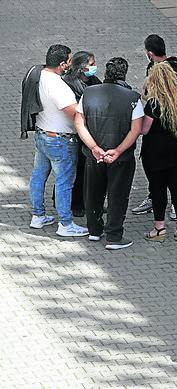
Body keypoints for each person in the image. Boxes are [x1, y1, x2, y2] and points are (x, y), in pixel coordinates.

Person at [74, 57, 144, 250]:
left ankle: (95, 230)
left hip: (93, 156)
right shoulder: (132, 97)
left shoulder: (88, 93)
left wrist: (94, 148)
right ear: (124, 73)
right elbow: (136, 129)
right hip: (121, 158)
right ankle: (114, 236)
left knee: (93, 192)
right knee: (118, 195)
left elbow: (79, 122)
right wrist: (118, 150)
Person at [27, 44, 89, 237]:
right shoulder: (59, 86)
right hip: (61, 140)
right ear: (63, 64)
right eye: (69, 60)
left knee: (38, 176)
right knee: (64, 182)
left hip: (42, 134)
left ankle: (38, 216)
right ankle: (66, 223)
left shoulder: (38, 75)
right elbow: (74, 114)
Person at [132, 34, 177, 216]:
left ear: (150, 53)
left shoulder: (154, 103)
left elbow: (144, 128)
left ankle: (158, 208)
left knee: (158, 182)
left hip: (157, 145)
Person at [140, 62, 177, 243]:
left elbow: (145, 130)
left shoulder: (154, 104)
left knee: (158, 189)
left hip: (156, 152)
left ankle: (159, 228)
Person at [56, 50, 101, 218]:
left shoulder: (93, 80)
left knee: (87, 170)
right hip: (73, 132)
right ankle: (75, 204)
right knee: (75, 169)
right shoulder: (68, 84)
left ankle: (87, 201)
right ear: (81, 67)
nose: (94, 67)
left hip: (90, 131)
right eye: (91, 64)